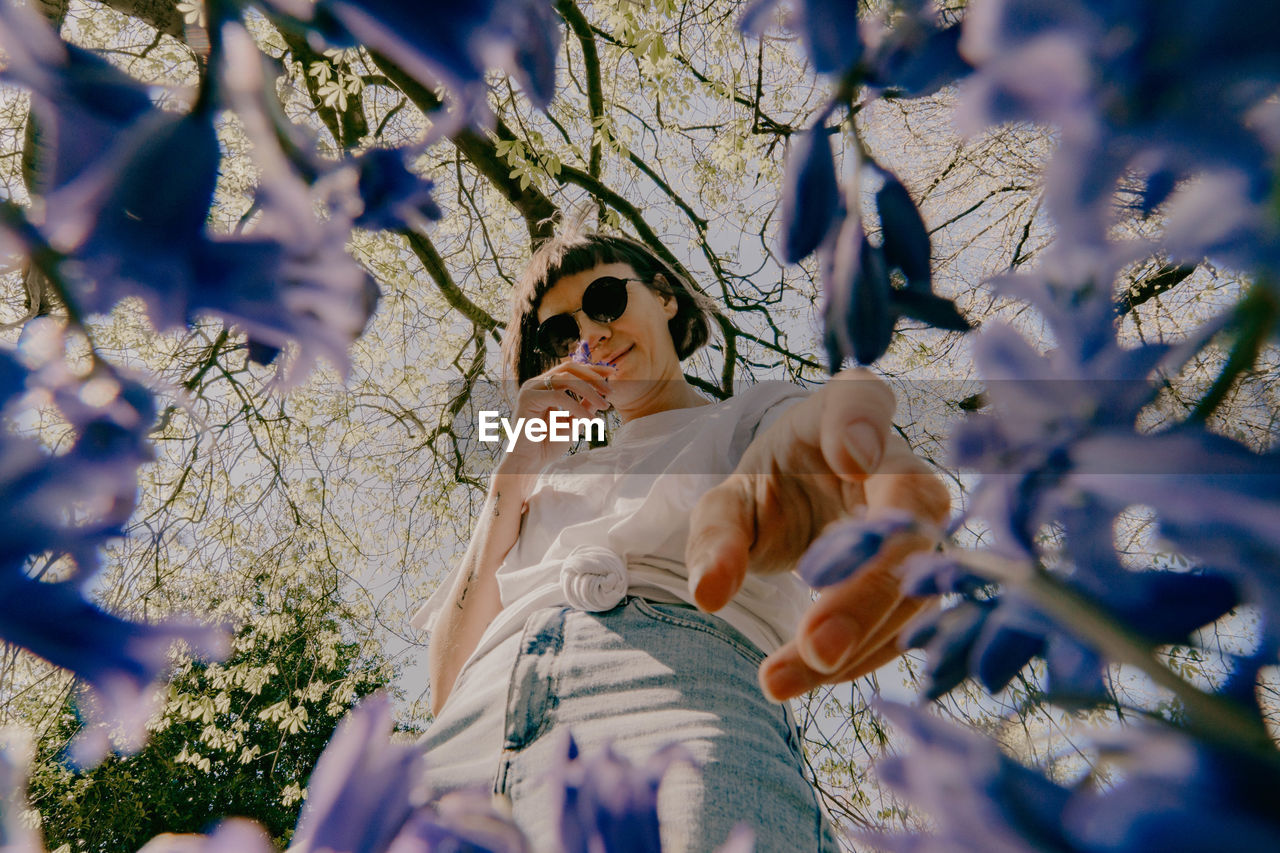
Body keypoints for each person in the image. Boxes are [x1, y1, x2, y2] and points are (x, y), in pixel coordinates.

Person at [409, 225, 949, 852]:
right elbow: (448, 686)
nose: (592, 334)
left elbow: (806, 448)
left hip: (685, 707)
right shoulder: (542, 482)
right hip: (473, 744)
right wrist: (516, 468)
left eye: (606, 299)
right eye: (563, 332)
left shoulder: (747, 418)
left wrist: (855, 483)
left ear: (665, 297)